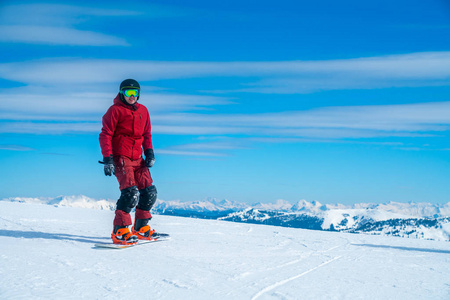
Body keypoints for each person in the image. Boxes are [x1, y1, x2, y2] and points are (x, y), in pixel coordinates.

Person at [99, 79, 157, 245]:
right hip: (121, 158)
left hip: (138, 158)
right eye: (127, 93)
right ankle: (119, 230)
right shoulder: (115, 110)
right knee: (130, 193)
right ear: (121, 93)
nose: (131, 96)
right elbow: (105, 135)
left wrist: (149, 153)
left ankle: (140, 227)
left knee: (149, 192)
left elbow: (147, 135)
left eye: (135, 93)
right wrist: (108, 158)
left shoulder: (143, 111)